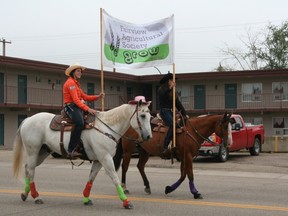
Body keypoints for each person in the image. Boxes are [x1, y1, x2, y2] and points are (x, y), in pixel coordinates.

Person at [63, 63, 104, 159]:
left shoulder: (76, 84)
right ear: (73, 72)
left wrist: (97, 96)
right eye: (78, 71)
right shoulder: (70, 83)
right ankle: (71, 150)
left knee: (88, 122)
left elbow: (85, 97)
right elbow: (76, 100)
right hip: (71, 107)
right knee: (80, 123)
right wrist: (88, 109)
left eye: (80, 71)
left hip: (76, 106)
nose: (80, 73)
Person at [158, 72, 188, 155]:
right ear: (168, 81)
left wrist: (185, 113)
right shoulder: (161, 89)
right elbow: (162, 97)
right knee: (173, 124)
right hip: (164, 111)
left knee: (181, 124)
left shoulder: (173, 91)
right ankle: (165, 145)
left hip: (171, 111)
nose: (174, 82)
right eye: (172, 80)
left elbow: (177, 103)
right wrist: (170, 88)